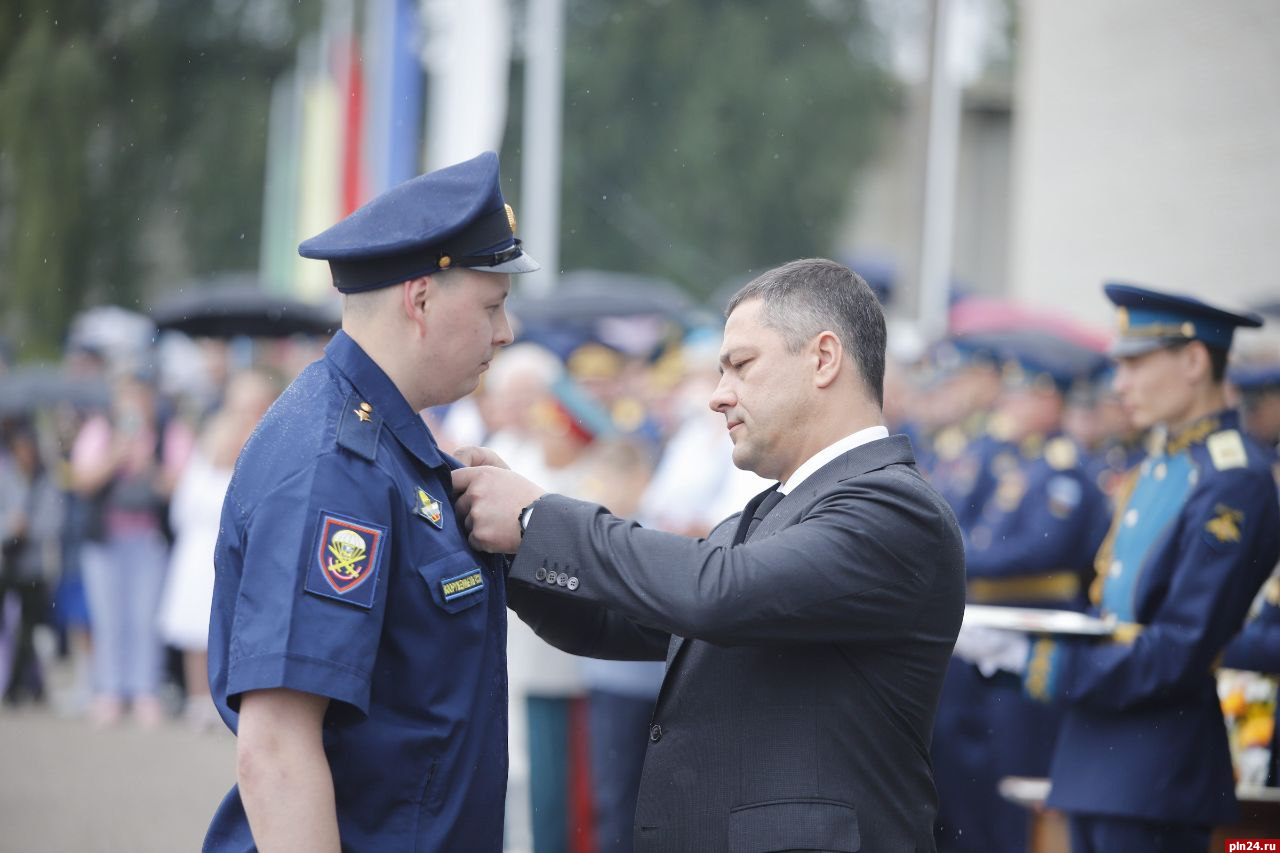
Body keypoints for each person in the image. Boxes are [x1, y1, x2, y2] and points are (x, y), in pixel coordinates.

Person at [454, 258, 966, 852]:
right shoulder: (775, 510)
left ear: (824, 359)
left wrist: (535, 516)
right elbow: (617, 619)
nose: (718, 397)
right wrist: (502, 546)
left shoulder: (895, 509)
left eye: (741, 366)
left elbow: (718, 593)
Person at [203, 151, 537, 852]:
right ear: (420, 300)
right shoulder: (337, 471)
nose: (504, 333)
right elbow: (276, 753)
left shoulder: (388, 448)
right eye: (493, 306)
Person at [1020, 283, 1280, 852]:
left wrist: (1051, 664)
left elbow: (1181, 646)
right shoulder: (1161, 466)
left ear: (1192, 360)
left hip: (1159, 765)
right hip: (1099, 757)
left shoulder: (1232, 478)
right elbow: (1114, 611)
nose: (1120, 384)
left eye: (1136, 363)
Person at [934, 337, 1111, 853]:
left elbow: (1035, 550)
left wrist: (950, 554)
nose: (1009, 404)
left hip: (1035, 633)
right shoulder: (1019, 463)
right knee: (968, 769)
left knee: (1017, 771)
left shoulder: (1064, 470)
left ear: (1050, 400)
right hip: (986, 632)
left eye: (1022, 395)